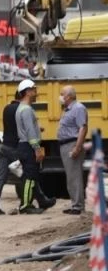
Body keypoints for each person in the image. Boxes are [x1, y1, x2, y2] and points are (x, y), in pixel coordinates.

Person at [15, 79, 56, 214]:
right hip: (28, 147)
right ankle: (25, 205)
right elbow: (30, 132)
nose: (36, 93)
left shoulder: (22, 108)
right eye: (33, 90)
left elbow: (29, 129)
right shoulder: (26, 110)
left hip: (25, 146)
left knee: (33, 176)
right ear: (27, 92)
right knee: (29, 178)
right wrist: (37, 148)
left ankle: (41, 200)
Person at [0, 93, 21, 215]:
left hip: (5, 146)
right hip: (16, 147)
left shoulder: (7, 108)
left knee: (1, 177)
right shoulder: (22, 109)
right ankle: (30, 202)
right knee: (26, 174)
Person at [58, 85, 88, 215]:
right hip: (65, 145)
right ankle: (75, 204)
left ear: (69, 96)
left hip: (72, 144)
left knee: (74, 177)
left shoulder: (78, 108)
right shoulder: (68, 109)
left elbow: (83, 128)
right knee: (71, 177)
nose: (60, 97)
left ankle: (78, 206)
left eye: (62, 94)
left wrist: (77, 147)